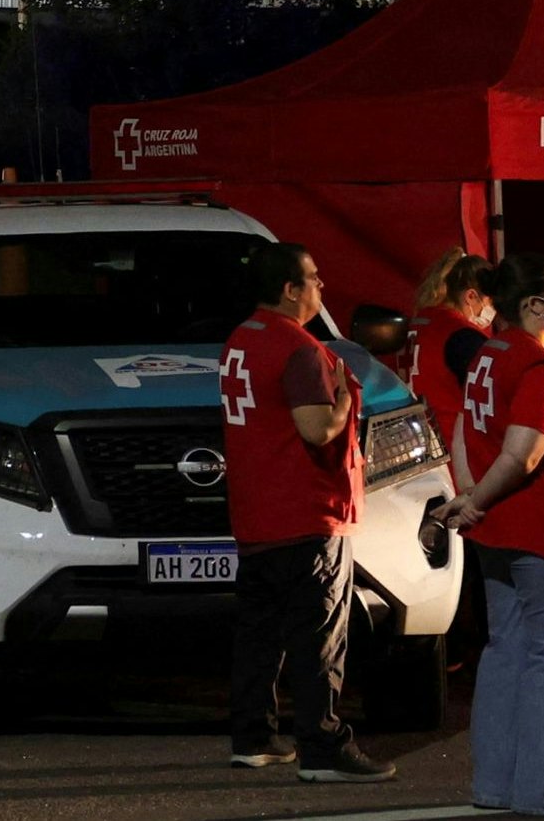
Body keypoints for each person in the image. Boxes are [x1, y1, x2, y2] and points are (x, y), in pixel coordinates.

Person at [431, 253, 544, 817]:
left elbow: (465, 432)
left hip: (500, 533)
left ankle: (496, 784)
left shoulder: (486, 355)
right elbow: (524, 453)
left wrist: (470, 499)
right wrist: (477, 500)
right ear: (533, 304)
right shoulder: (539, 368)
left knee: (506, 651)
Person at [217, 241, 395, 781]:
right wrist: (343, 398)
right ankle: (322, 747)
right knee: (319, 636)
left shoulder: (240, 340)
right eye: (314, 279)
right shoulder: (298, 348)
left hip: (257, 514)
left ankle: (255, 736)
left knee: (259, 635)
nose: (321, 287)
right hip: (305, 511)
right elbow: (317, 428)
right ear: (290, 289)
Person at [412, 252, 498, 436]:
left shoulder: (419, 321)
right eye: (492, 302)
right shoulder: (464, 336)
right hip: (452, 442)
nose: (493, 310)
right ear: (471, 297)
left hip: (414, 438)